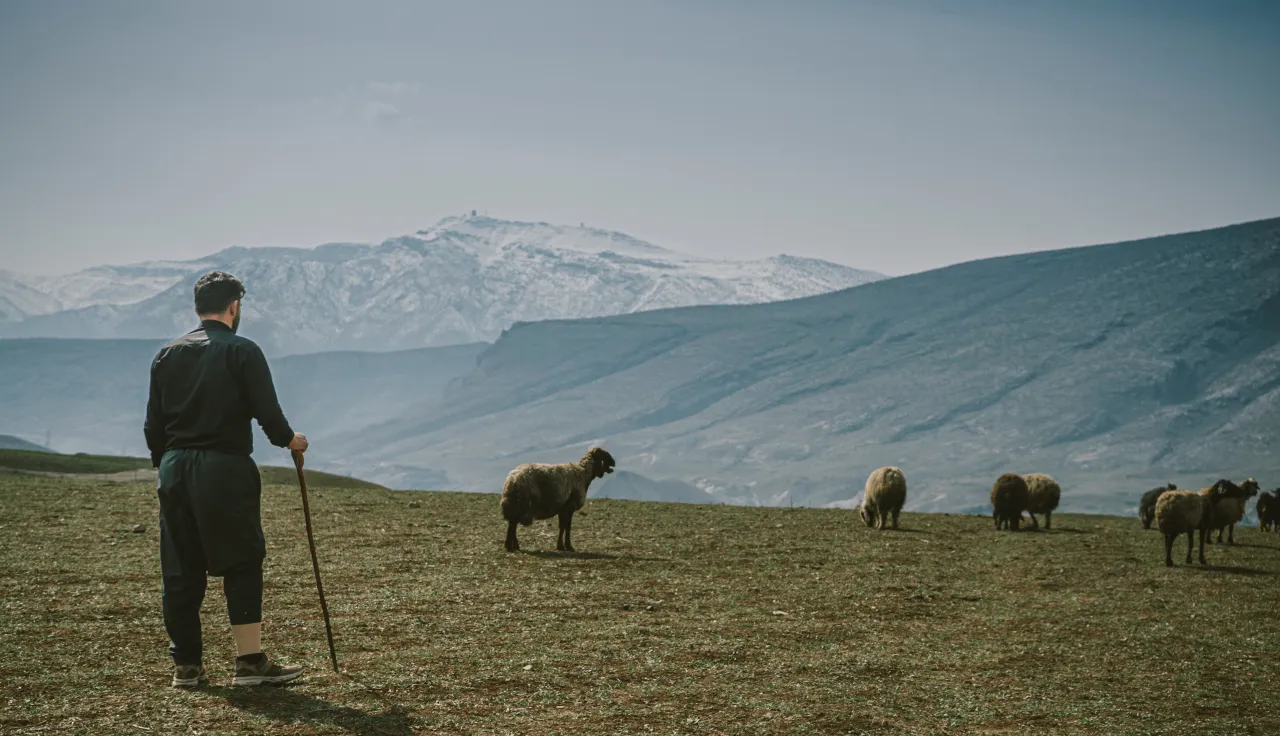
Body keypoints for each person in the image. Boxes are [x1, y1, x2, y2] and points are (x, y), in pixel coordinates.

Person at [144, 271, 309, 688]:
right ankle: (250, 663)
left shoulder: (166, 354)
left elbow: (153, 424)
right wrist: (292, 440)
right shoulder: (243, 351)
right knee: (242, 559)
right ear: (235, 307)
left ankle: (187, 667)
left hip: (174, 465)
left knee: (180, 567)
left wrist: (166, 465)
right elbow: (268, 414)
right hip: (224, 467)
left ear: (197, 307)